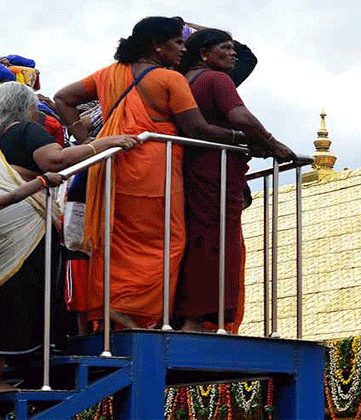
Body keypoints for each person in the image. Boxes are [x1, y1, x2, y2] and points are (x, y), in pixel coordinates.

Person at [54, 17, 249, 330]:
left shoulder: (108, 74)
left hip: (112, 168)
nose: (183, 49)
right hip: (152, 173)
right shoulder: (169, 80)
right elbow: (196, 128)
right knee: (167, 242)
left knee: (115, 242)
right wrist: (241, 139)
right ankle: (140, 316)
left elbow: (62, 98)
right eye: (178, 42)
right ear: (157, 46)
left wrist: (84, 138)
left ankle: (110, 309)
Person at [0, 82, 138, 388]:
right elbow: (56, 161)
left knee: (8, 289)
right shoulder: (26, 130)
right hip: (25, 221)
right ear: (27, 108)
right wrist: (103, 144)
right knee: (27, 289)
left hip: (7, 221)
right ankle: (15, 366)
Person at [175, 28, 295, 332]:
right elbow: (240, 116)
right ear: (204, 53)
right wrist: (272, 142)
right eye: (225, 48)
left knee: (198, 239)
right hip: (216, 170)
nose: (233, 53)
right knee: (219, 241)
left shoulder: (184, 80)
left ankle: (189, 318)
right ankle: (203, 319)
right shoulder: (216, 79)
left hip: (193, 168)